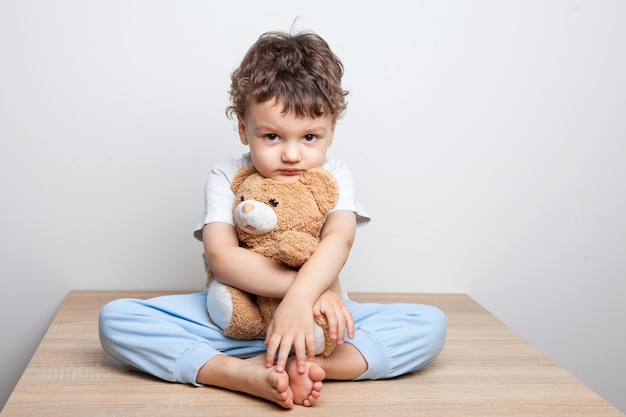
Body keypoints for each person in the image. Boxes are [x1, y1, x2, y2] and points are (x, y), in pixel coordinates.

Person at [98, 30, 447, 409]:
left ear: (331, 133)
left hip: (316, 321)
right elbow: (222, 257)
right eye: (273, 137)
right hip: (231, 323)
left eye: (310, 136)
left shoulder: (336, 176)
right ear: (244, 130)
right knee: (117, 319)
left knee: (429, 324)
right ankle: (237, 372)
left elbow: (338, 241)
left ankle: (305, 364)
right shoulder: (226, 175)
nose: (293, 154)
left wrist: (303, 304)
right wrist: (301, 294)